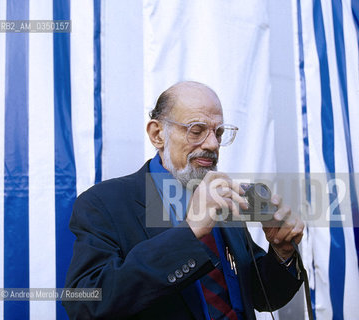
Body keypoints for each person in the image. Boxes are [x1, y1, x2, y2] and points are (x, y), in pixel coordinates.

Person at [63, 81, 304, 319]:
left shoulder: (224, 198)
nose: (212, 144)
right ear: (158, 134)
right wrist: (190, 231)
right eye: (196, 131)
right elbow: (85, 304)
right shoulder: (105, 203)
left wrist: (281, 253)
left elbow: (260, 296)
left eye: (218, 133)